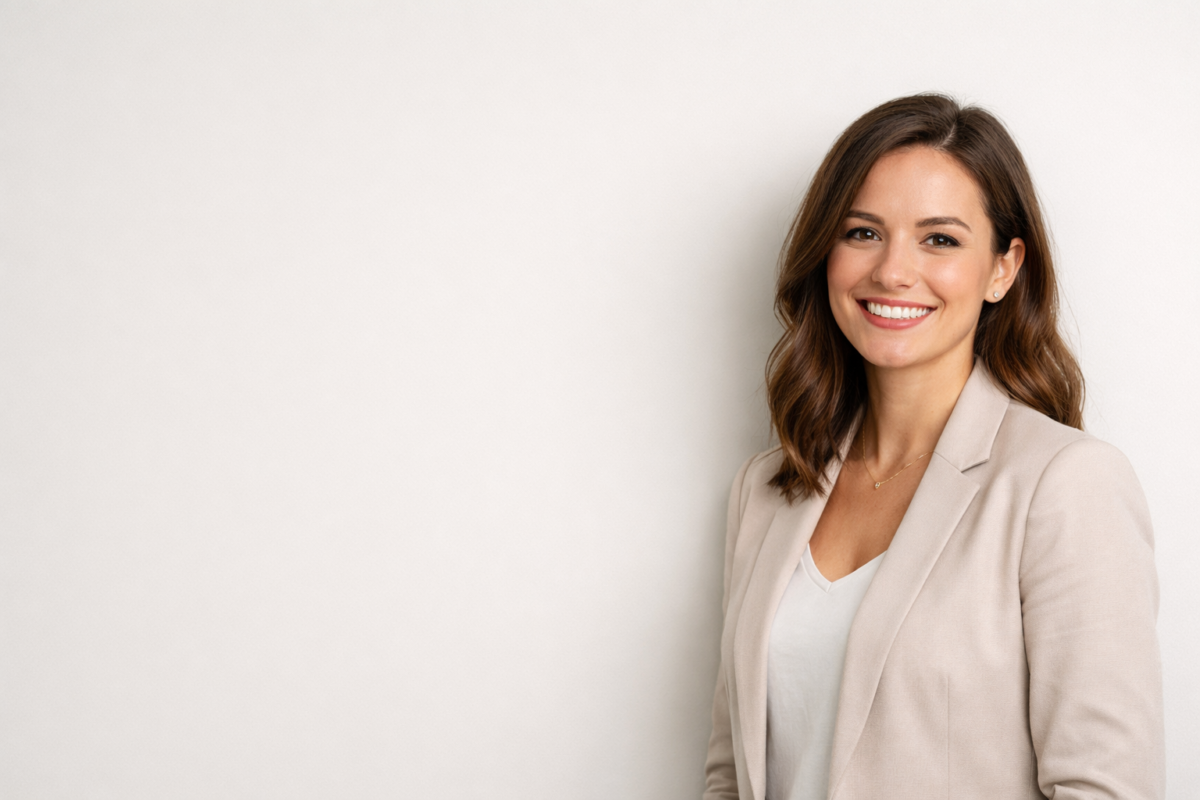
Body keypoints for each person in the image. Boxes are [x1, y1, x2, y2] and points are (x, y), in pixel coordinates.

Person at [703, 94, 1164, 800]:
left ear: (1004, 268)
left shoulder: (1065, 484)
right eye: (862, 232)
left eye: (940, 239)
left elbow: (1106, 787)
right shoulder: (766, 489)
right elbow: (731, 774)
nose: (892, 271)